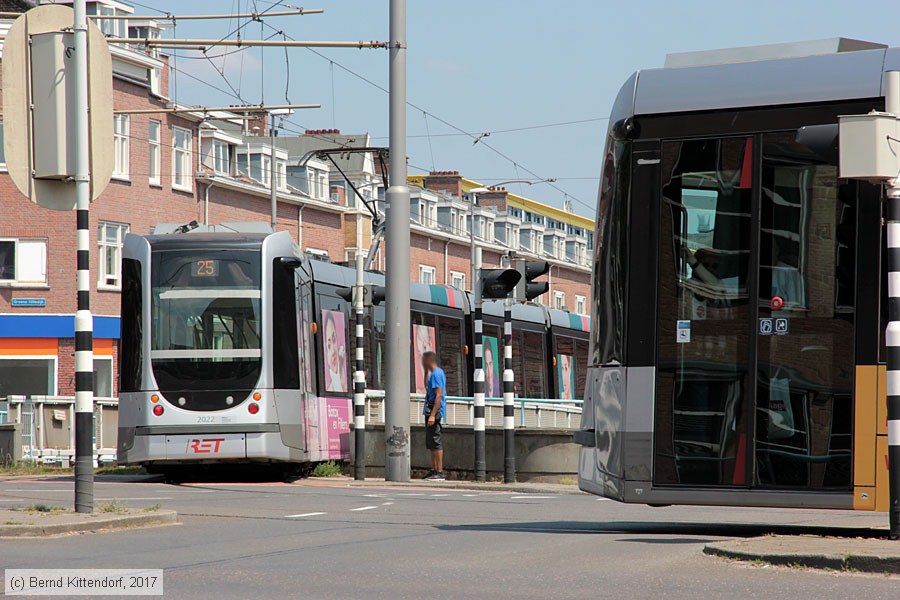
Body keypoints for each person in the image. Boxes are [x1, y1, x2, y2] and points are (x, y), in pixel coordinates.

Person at [421, 350, 446, 481]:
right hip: (429, 410)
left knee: (436, 441)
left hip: (434, 411)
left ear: (429, 360)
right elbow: (427, 387)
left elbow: (439, 395)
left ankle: (439, 471)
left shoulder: (437, 374)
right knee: (430, 442)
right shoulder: (432, 374)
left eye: (423, 361)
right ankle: (433, 469)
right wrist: (426, 372)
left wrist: (432, 415)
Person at [324, 311, 347, 393]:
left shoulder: (346, 383)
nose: (333, 350)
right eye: (329, 346)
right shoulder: (329, 390)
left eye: (334, 339)